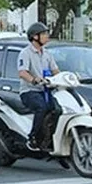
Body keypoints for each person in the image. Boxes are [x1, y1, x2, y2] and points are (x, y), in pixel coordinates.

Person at [18, 22, 60, 152]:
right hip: (30, 91)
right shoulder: (25, 53)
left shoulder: (47, 54)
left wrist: (64, 78)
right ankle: (33, 137)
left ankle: (49, 138)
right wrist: (34, 80)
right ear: (35, 37)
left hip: (46, 90)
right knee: (42, 107)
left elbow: (55, 71)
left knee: (58, 109)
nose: (47, 36)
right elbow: (22, 72)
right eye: (44, 34)